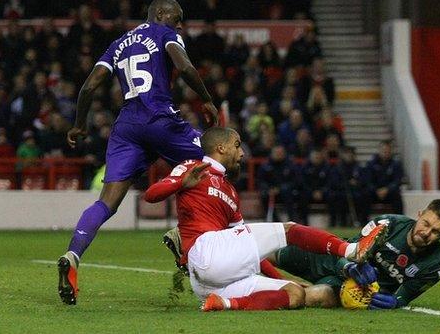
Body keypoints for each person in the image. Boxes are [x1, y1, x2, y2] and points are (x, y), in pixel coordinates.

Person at [57, 0, 219, 305]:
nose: (180, 23)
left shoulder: (118, 43)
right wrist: (206, 98)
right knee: (215, 162)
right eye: (177, 17)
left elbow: (89, 86)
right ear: (160, 13)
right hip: (160, 119)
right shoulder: (166, 34)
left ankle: (73, 255)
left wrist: (79, 125)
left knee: (107, 201)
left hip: (127, 126)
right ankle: (183, 235)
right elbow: (183, 67)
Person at [145, 127, 388, 311]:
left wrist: (281, 279)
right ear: (221, 148)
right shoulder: (193, 167)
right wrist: (182, 183)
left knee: (294, 294)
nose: (242, 153)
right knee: (289, 229)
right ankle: (351, 250)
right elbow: (151, 195)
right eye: (237, 146)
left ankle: (225, 303)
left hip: (212, 280)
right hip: (205, 249)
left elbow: (252, 252)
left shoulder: (230, 192)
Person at [270, 199, 440, 310]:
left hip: (351, 289)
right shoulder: (387, 225)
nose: (426, 232)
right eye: (425, 223)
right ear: (419, 214)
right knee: (271, 253)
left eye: (435, 232)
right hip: (330, 261)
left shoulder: (435, 266)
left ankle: (252, 295)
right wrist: (351, 266)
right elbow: (349, 250)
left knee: (315, 295)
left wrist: (394, 302)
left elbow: (404, 296)